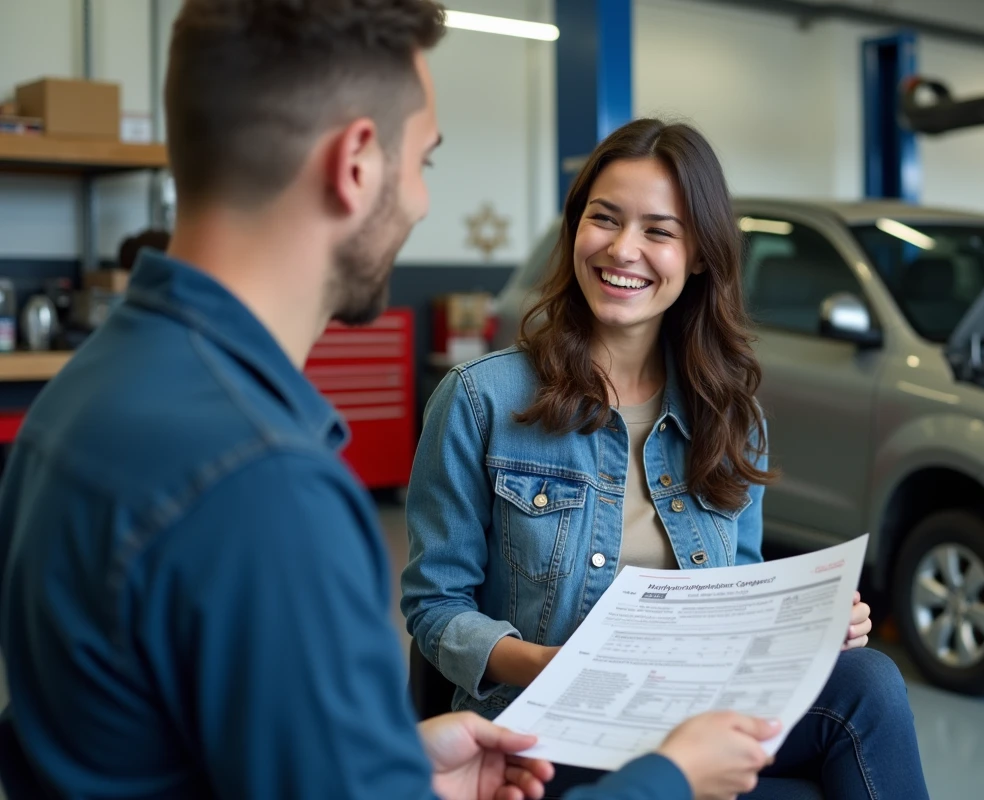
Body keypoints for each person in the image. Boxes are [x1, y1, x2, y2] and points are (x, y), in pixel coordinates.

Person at [0, 3, 783, 800]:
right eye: (425, 163)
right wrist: (671, 779)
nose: (419, 203)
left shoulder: (85, 393)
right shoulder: (262, 483)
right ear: (357, 163)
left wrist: (403, 771)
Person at [401, 118, 931, 799]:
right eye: (605, 219)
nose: (624, 250)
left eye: (659, 230)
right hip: (545, 732)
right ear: (576, 229)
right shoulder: (480, 401)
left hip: (690, 712)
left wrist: (810, 626)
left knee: (868, 683)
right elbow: (436, 607)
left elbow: (738, 590)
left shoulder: (733, 416)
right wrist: (549, 666)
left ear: (700, 255)